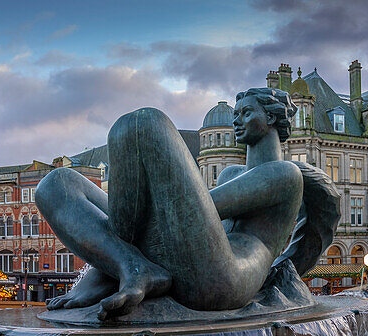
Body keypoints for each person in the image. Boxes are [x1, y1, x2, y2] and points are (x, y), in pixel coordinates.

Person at [36, 87, 339, 319]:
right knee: (56, 183)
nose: (236, 119)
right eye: (235, 113)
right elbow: (190, 215)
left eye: (246, 112)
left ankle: (114, 272)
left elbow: (204, 208)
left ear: (271, 117)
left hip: (226, 281)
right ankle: (129, 266)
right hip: (195, 260)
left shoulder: (285, 175)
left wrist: (149, 183)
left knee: (143, 123)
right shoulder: (232, 172)